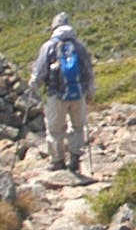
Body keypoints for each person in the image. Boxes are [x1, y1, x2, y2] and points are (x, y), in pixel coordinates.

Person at [30, 14, 97, 173]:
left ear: (54, 28)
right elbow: (89, 71)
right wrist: (90, 92)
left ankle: (57, 160)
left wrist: (33, 86)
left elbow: (40, 72)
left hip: (56, 94)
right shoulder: (79, 47)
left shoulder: (48, 46)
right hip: (78, 93)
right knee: (78, 126)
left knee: (55, 129)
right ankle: (74, 159)